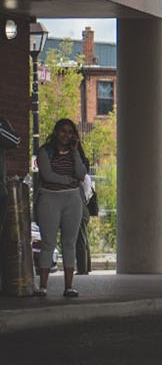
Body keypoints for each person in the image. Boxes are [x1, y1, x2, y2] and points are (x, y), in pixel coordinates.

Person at [34, 118, 89, 298]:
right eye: (63, 131)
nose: (66, 135)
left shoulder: (75, 153)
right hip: (49, 199)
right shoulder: (45, 151)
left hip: (72, 199)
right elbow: (47, 175)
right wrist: (68, 180)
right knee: (48, 243)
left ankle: (69, 287)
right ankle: (43, 286)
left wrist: (75, 152)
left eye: (70, 132)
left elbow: (81, 174)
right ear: (56, 132)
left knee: (69, 243)